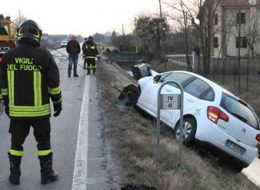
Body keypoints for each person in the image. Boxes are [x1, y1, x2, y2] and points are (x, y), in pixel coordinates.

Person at [0, 19, 62, 185]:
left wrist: (6, 103)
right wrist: (57, 103)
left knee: (16, 144)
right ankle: (46, 174)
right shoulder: (44, 56)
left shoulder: (8, 56)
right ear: (37, 35)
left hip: (16, 112)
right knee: (43, 143)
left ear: (20, 33)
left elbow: (2, 85)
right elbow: (53, 84)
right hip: (39, 112)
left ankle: (14, 176)